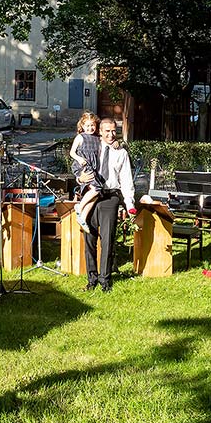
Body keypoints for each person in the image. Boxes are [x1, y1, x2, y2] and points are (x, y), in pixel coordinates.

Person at [77, 118, 136, 292]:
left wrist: (130, 204)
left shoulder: (121, 152)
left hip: (110, 197)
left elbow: (126, 180)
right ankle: (92, 278)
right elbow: (77, 167)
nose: (110, 135)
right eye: (107, 131)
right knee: (89, 239)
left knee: (108, 240)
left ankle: (105, 280)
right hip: (92, 195)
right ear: (100, 132)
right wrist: (80, 179)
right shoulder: (92, 147)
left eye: (113, 131)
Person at [70, 112, 103, 233]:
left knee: (96, 193)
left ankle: (83, 217)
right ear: (82, 126)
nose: (90, 128)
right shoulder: (80, 137)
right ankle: (80, 206)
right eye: (87, 126)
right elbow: (72, 152)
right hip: (84, 165)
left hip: (93, 167)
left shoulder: (98, 138)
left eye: (92, 125)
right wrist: (79, 159)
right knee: (96, 189)